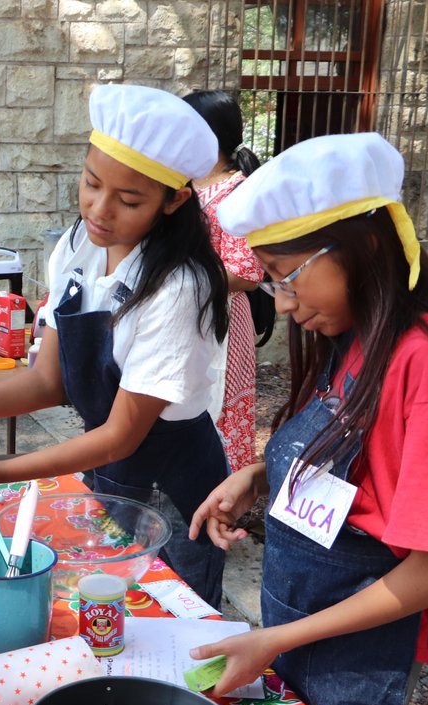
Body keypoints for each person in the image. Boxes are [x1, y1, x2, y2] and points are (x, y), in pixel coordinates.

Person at [188, 132, 428, 705]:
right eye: (272, 281)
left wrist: (276, 638)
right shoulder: (355, 334)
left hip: (354, 657)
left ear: (367, 247)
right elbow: (349, 459)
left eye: (290, 276)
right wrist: (258, 474)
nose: (286, 302)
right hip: (294, 625)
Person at [0, 84, 231, 608]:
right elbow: (48, 381)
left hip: (171, 492)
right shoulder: (79, 245)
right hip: (107, 469)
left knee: (160, 623)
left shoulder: (178, 287)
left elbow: (121, 434)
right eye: (91, 183)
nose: (100, 209)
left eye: (130, 199)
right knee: (100, 614)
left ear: (175, 200)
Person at [184, 90, 265, 474]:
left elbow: (246, 274)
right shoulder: (180, 184)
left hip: (224, 321)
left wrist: (177, 276)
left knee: (220, 408)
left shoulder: (239, 190)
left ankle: (222, 496)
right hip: (181, 315)